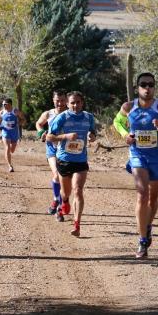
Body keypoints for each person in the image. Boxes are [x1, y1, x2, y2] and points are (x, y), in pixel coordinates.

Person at [113, 72, 158, 259]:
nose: (147, 88)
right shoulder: (128, 106)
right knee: (142, 194)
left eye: (150, 84)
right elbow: (117, 122)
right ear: (137, 88)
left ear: (154, 87)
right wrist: (124, 135)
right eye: (143, 84)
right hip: (138, 156)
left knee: (153, 199)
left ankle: (148, 226)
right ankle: (143, 240)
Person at [47, 91, 96, 237]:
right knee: (66, 192)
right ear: (67, 104)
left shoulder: (89, 117)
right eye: (72, 103)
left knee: (78, 190)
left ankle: (77, 224)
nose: (75, 105)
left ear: (82, 103)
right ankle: (64, 201)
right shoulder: (61, 117)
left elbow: (93, 133)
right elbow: (49, 137)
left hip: (81, 160)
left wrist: (92, 136)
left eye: (78, 102)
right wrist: (65, 136)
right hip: (64, 160)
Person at [35, 90, 68, 215]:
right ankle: (56, 200)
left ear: (66, 100)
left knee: (64, 179)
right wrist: (41, 133)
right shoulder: (48, 114)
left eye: (62, 100)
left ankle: (61, 202)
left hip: (66, 148)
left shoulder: (70, 113)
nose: (60, 103)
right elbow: (38, 123)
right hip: (52, 148)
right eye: (57, 101)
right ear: (53, 100)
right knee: (56, 175)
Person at [0, 98, 25, 172]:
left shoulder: (15, 111)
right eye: (3, 104)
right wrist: (0, 126)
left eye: (5, 104)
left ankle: (9, 157)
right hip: (5, 132)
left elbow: (23, 119)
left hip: (14, 132)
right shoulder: (2, 112)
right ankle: (10, 166)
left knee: (12, 150)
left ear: (10, 104)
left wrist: (18, 124)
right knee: (7, 148)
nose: (3, 105)